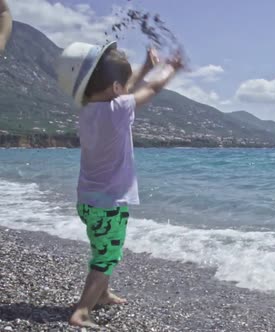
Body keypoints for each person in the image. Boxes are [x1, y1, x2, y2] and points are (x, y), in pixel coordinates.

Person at [56, 42, 183, 327]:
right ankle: (82, 311)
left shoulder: (87, 109)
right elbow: (151, 90)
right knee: (108, 257)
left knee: (101, 249)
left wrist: (146, 67)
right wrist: (169, 70)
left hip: (88, 201)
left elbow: (120, 88)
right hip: (109, 204)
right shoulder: (120, 108)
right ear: (116, 88)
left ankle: (103, 294)